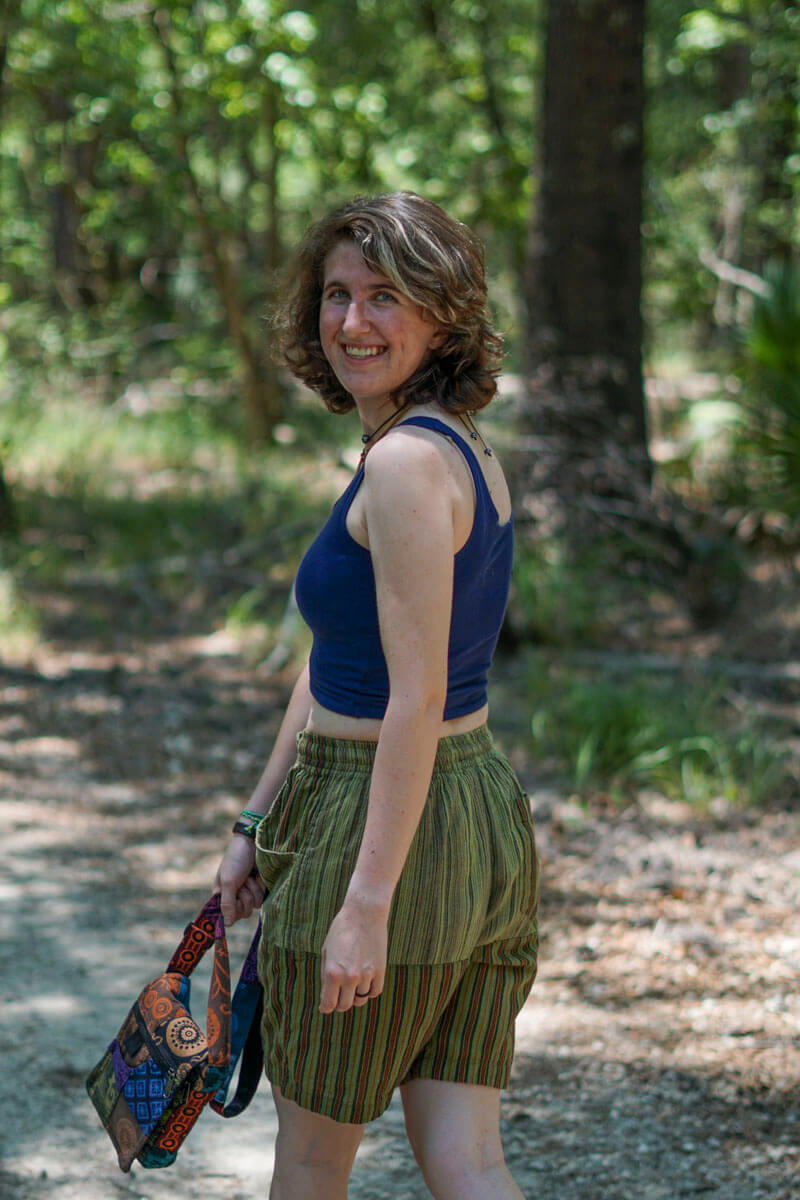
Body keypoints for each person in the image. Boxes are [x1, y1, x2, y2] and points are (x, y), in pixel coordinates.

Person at [214, 191, 539, 1200]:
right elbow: (335, 659)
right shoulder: (457, 448)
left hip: (384, 816)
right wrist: (255, 821)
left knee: (310, 1165)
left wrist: (364, 903)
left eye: (385, 297)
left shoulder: (402, 464)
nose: (351, 322)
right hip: (474, 813)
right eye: (337, 295)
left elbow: (413, 696)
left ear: (442, 315)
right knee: (466, 1158)